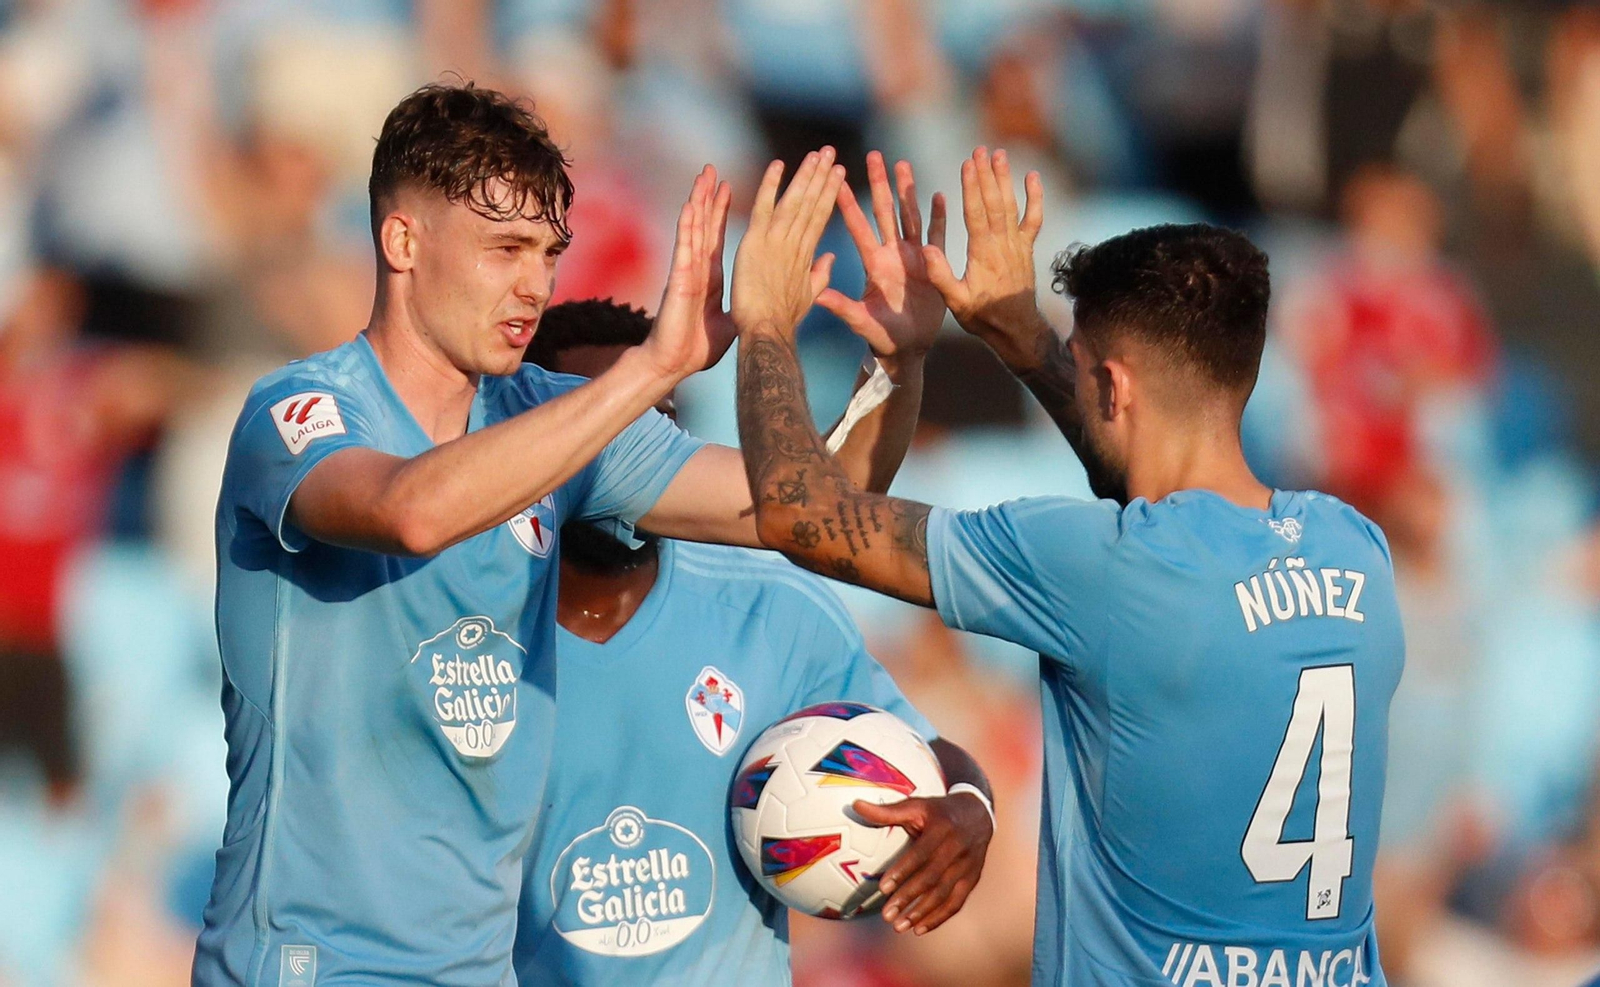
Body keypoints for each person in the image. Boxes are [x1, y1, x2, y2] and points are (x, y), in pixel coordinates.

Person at [194, 84, 918, 987]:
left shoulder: (553, 414)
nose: (535, 285)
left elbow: (816, 507)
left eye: (547, 252)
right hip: (309, 965)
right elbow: (411, 512)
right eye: (504, 248)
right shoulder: (299, 412)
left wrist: (895, 358)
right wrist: (655, 366)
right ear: (402, 242)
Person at [731, 146, 1405, 986]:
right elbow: (1150, 493)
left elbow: (800, 515)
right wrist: (1022, 335)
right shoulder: (1356, 551)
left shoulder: (1090, 565)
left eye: (1081, 371)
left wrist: (762, 320)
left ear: (1113, 388)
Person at [514, 295, 994, 986]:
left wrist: (968, 810)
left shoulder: (771, 608)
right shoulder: (469, 625)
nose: (641, 445)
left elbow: (930, 755)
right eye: (610, 419)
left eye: (663, 420)